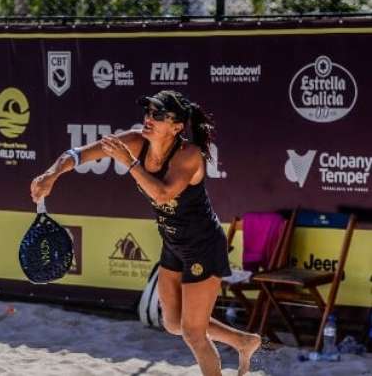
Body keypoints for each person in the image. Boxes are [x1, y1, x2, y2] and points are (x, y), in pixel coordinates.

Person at [30, 90, 261, 376]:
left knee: (193, 334)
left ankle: (237, 346)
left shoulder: (189, 155)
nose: (149, 118)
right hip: (174, 243)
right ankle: (243, 340)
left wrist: (129, 163)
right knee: (173, 323)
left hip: (203, 246)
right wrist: (50, 174)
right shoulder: (135, 141)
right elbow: (77, 154)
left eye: (158, 115)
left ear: (177, 127)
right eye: (148, 112)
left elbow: (162, 195)